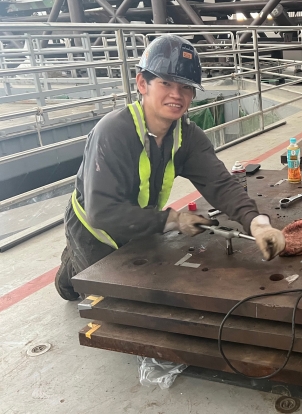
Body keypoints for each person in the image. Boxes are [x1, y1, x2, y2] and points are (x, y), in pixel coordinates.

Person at [54, 34, 286, 301]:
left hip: (138, 224)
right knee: (107, 302)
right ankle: (71, 266)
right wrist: (172, 220)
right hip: (93, 231)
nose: (177, 95)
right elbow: (102, 212)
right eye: (166, 83)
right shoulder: (113, 132)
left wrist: (257, 223)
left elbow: (220, 184)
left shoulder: (187, 136)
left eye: (186, 87)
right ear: (142, 83)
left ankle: (74, 264)